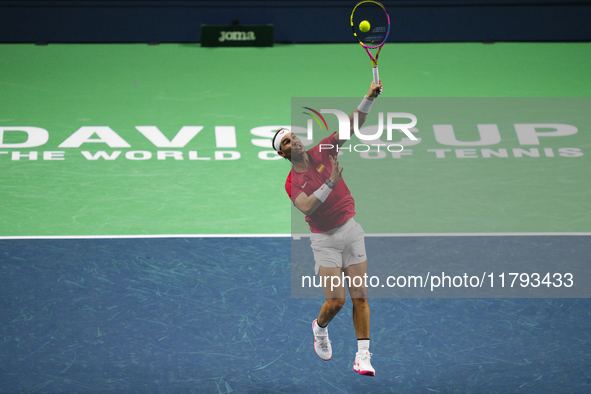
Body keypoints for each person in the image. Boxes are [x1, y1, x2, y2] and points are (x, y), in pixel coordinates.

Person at [273, 80, 383, 376]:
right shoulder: (292, 183)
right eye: (286, 142)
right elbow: (308, 206)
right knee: (336, 301)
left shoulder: (323, 150)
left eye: (293, 137)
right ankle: (320, 329)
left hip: (351, 230)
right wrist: (331, 182)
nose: (293, 141)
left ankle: (363, 356)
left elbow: (351, 126)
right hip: (325, 242)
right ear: (282, 154)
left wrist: (368, 99)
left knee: (360, 297)